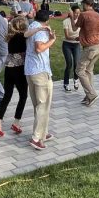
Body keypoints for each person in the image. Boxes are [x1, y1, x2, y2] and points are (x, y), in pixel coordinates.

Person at [0, 16, 30, 137]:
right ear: (21, 26)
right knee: (23, 96)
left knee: (7, 96)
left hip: (9, 69)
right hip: (19, 70)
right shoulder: (22, 37)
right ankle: (16, 122)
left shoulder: (10, 37)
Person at [25, 9, 56, 150]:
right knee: (43, 105)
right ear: (47, 19)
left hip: (30, 70)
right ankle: (36, 138)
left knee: (38, 104)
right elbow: (39, 48)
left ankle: (43, 132)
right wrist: (52, 40)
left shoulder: (32, 25)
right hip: (41, 72)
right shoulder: (42, 31)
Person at [76, 0, 99, 106]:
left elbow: (75, 27)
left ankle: (92, 94)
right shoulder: (98, 15)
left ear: (86, 4)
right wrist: (81, 38)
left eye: (83, 4)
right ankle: (88, 96)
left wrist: (71, 15)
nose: (82, 6)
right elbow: (91, 29)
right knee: (89, 70)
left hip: (90, 48)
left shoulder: (84, 14)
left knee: (79, 70)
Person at [61, 4, 82, 93]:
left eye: (78, 13)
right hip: (67, 44)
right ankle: (66, 83)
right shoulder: (66, 21)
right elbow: (67, 36)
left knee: (77, 64)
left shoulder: (80, 21)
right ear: (72, 12)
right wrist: (76, 38)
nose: (77, 14)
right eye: (75, 13)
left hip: (76, 45)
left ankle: (76, 80)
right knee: (69, 64)